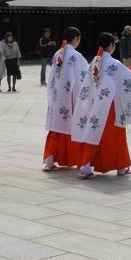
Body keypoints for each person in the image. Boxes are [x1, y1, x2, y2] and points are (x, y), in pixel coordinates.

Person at [71, 31, 131, 178]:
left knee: (92, 133)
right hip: (111, 107)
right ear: (111, 45)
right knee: (117, 136)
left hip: (95, 104)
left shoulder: (95, 61)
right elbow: (129, 80)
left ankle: (86, 165)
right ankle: (121, 167)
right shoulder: (114, 63)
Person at [43, 26, 85, 170]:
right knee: (72, 127)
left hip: (57, 97)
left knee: (56, 127)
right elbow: (83, 79)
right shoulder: (76, 56)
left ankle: (49, 159)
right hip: (71, 98)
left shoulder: (58, 53)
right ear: (75, 38)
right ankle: (76, 159)